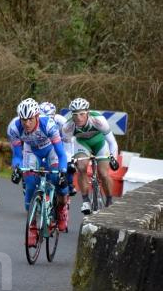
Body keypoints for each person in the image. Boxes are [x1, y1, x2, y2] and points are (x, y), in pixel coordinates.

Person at [7, 99, 70, 243]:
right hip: (31, 151)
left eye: (30, 119)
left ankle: (61, 209)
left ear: (36, 116)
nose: (27, 123)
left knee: (57, 180)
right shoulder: (14, 128)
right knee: (29, 183)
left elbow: (61, 154)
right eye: (24, 120)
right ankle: (33, 227)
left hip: (51, 151)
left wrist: (63, 171)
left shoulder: (48, 125)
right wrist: (16, 169)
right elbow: (17, 155)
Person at [61, 97, 120, 214]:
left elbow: (112, 142)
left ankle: (109, 200)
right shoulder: (67, 127)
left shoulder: (98, 119)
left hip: (99, 143)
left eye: (82, 114)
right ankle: (86, 200)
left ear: (87, 113)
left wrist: (114, 158)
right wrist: (69, 161)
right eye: (75, 115)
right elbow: (67, 148)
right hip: (82, 144)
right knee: (81, 167)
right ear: (71, 115)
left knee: (103, 173)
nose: (78, 118)